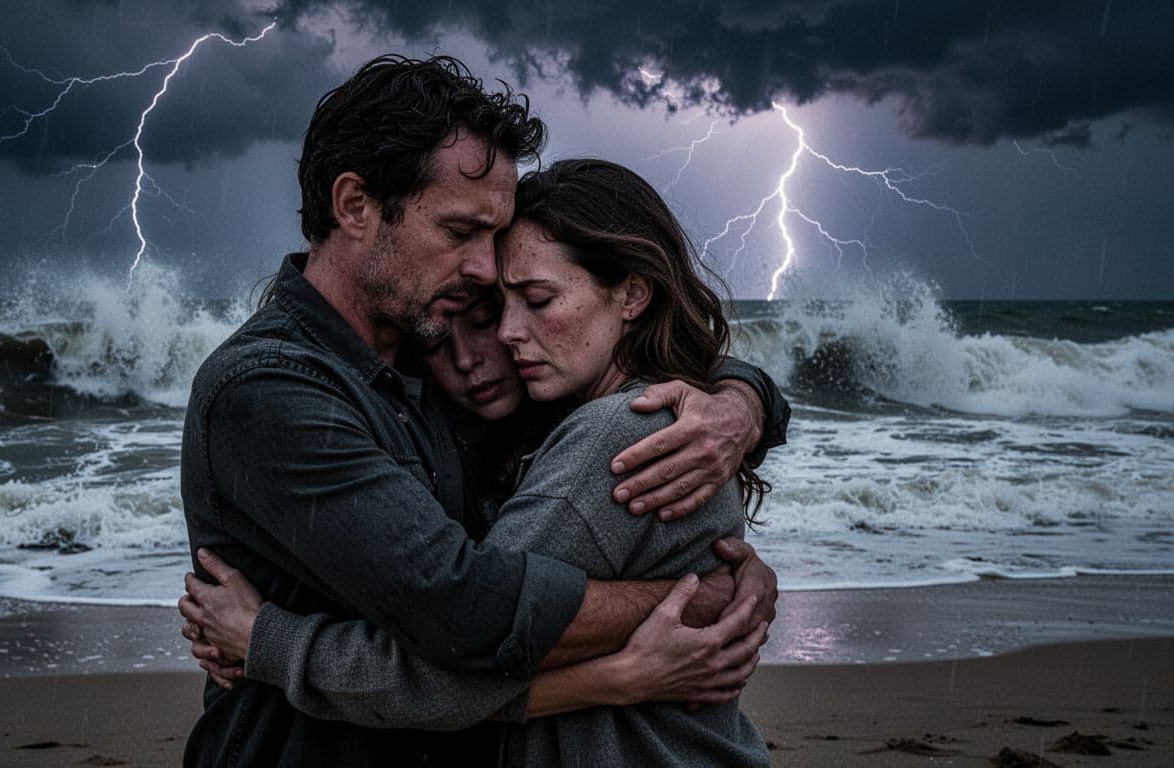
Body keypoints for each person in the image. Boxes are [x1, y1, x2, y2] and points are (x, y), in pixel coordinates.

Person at [180, 55, 787, 767]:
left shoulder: (436, 350)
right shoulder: (268, 392)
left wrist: (741, 403)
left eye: (495, 246)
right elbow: (466, 613)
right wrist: (696, 599)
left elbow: (631, 362)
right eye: (461, 232)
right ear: (354, 206)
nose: (481, 273)